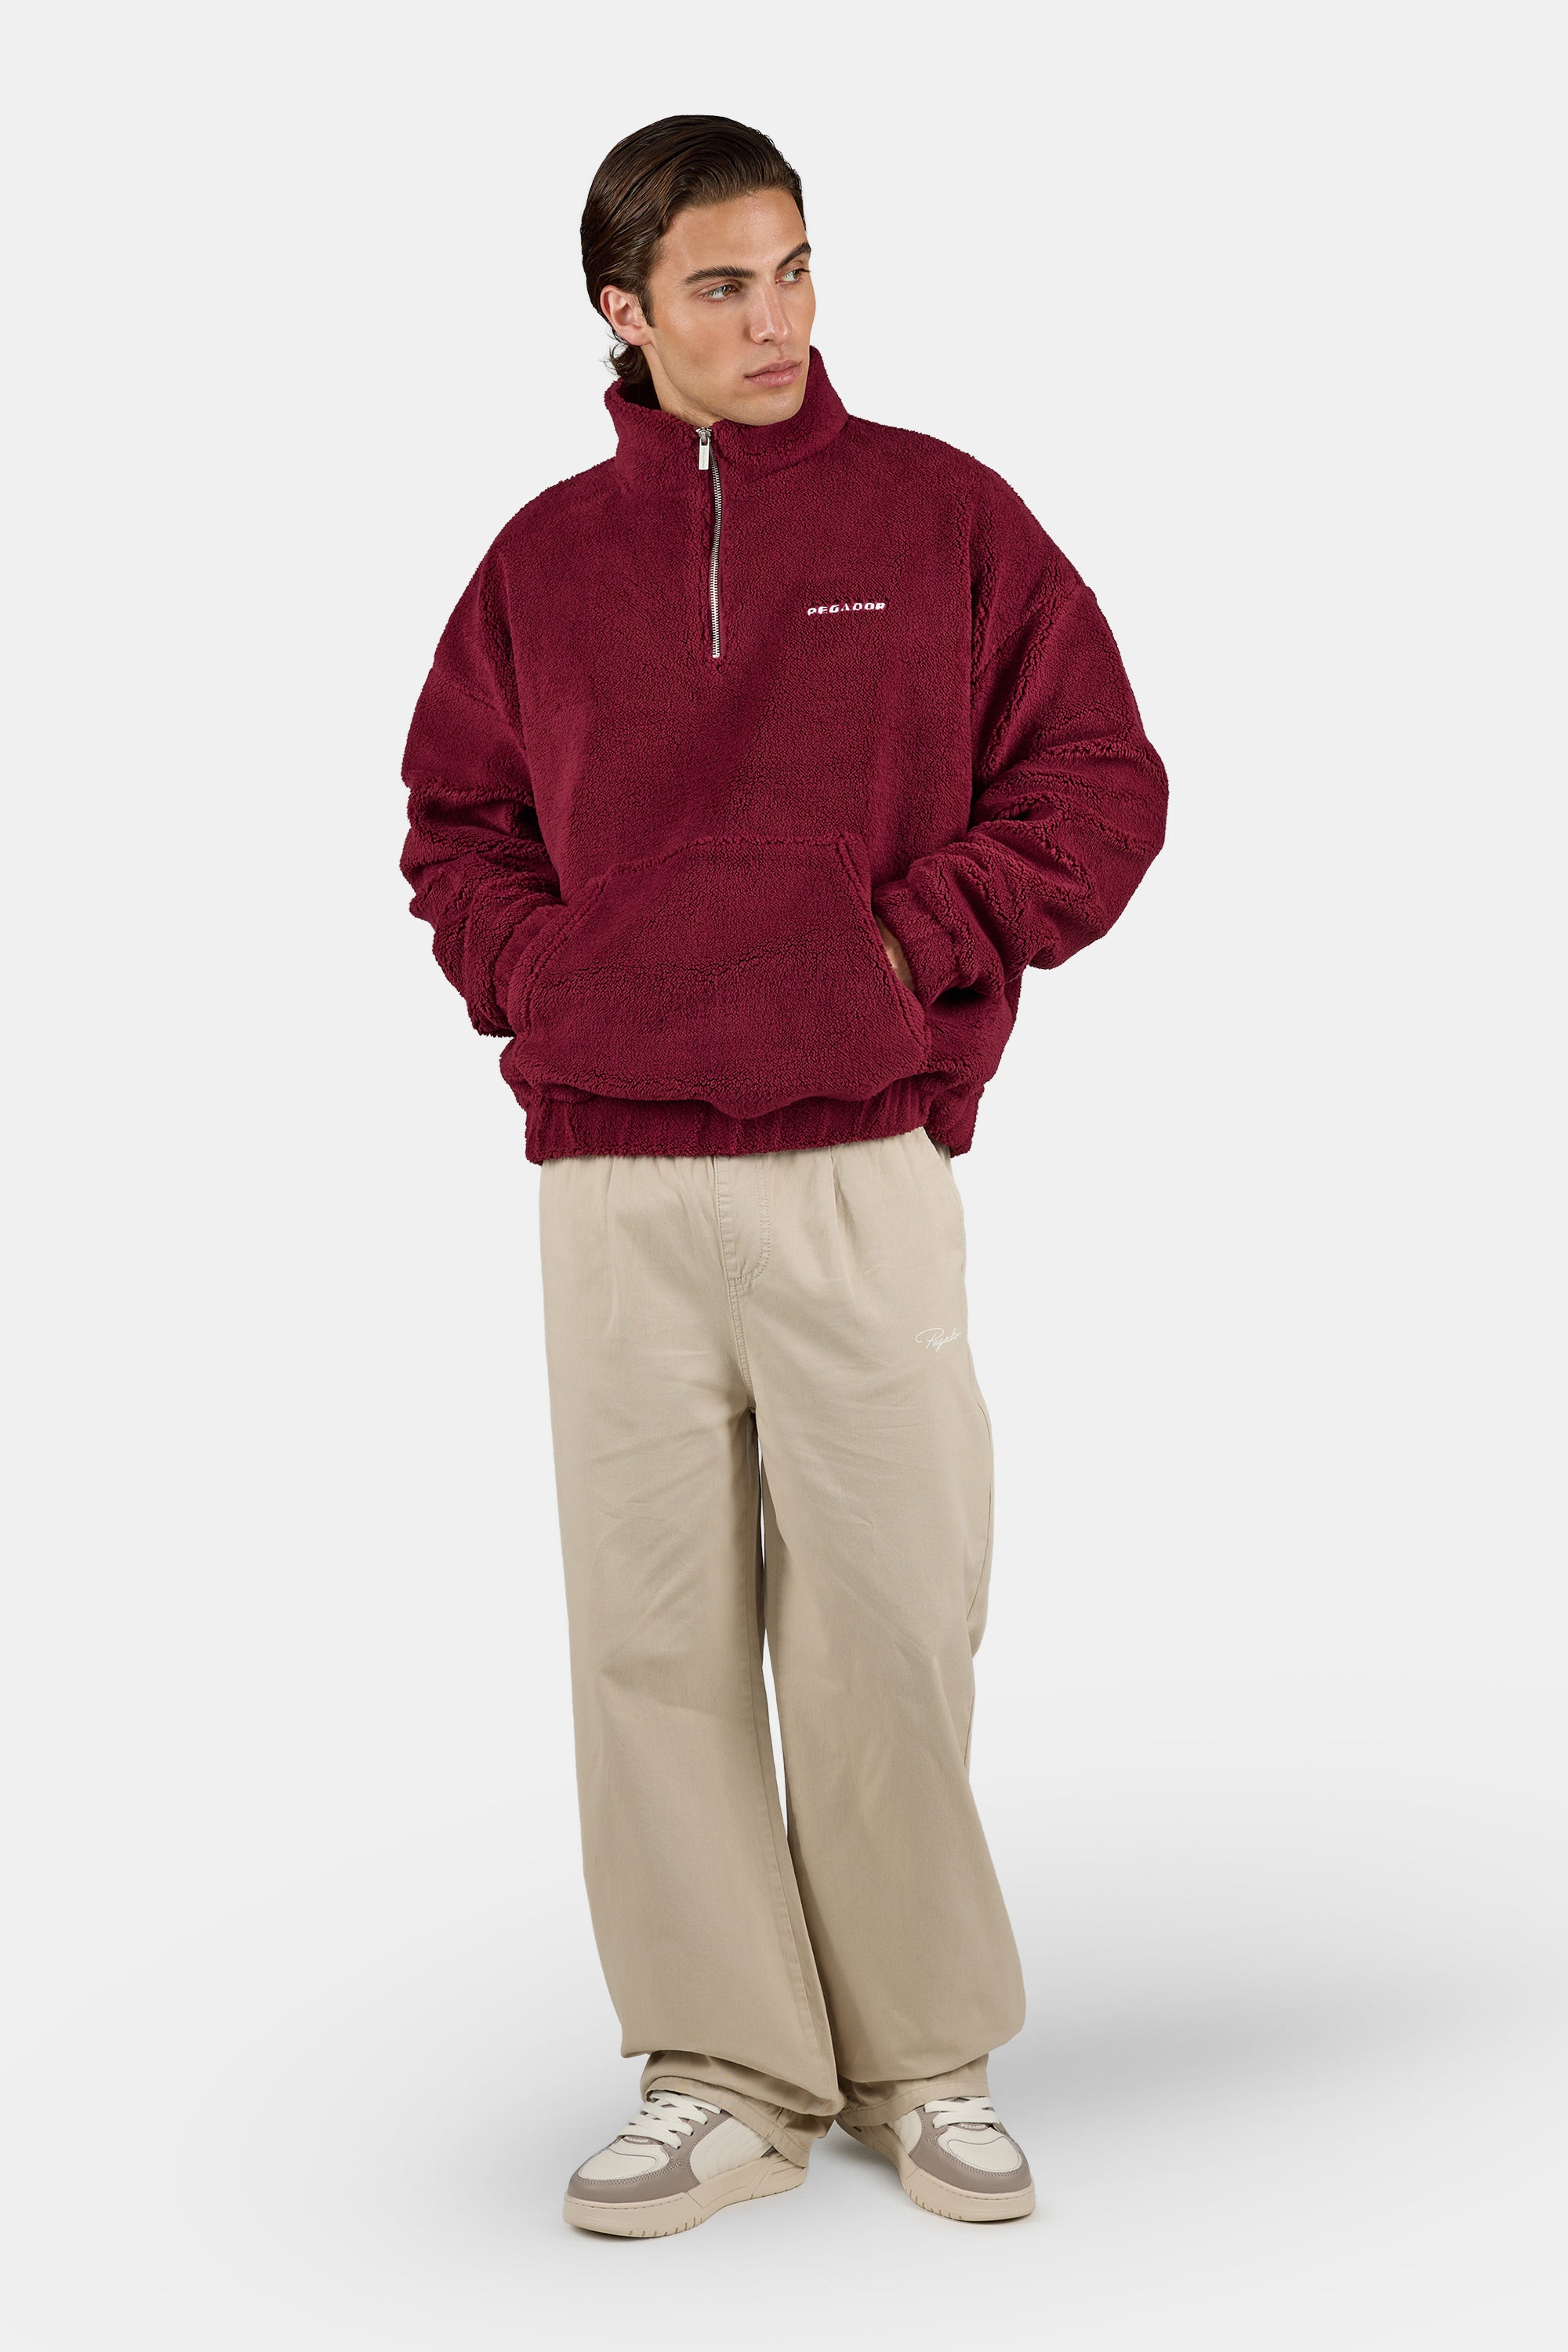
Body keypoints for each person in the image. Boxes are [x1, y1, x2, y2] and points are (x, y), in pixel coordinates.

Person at [399, 113, 1167, 2238]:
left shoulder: (941, 515)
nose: (777, 320)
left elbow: (1100, 778)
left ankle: (921, 2057)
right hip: (615, 1178)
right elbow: (454, 825)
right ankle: (723, 2070)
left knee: (895, 1621)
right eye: (723, 285)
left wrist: (906, 949)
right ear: (623, 311)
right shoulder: (544, 562)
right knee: (648, 1637)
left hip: (858, 1154)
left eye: (797, 268)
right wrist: (544, 979)